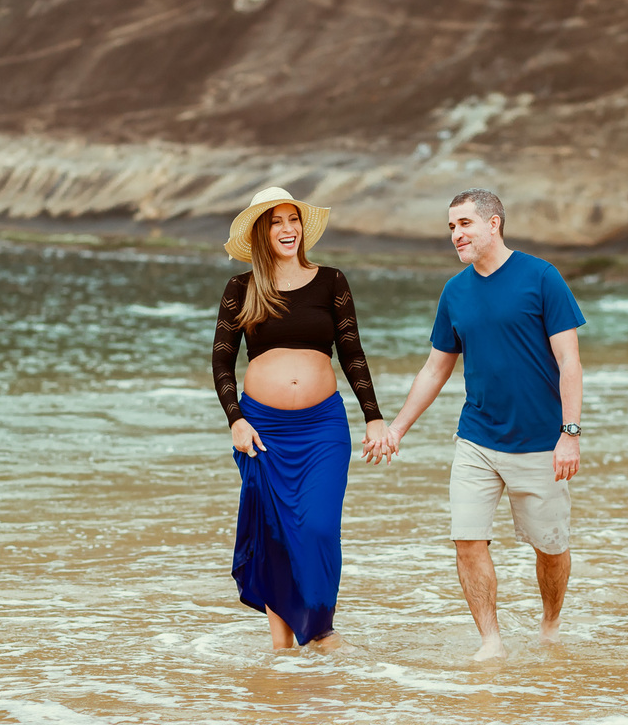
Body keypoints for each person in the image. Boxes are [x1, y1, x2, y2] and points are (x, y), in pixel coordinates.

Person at [366, 188, 585, 661]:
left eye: (464, 224)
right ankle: (492, 642)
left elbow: (569, 361)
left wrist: (570, 434)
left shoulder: (541, 278)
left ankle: (550, 626)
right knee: (467, 540)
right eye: (451, 227)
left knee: (550, 548)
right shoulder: (455, 292)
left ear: (494, 224)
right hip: (477, 440)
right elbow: (435, 368)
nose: (456, 235)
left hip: (539, 443)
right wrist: (398, 428)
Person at [212, 186, 390, 651]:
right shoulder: (241, 289)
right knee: (274, 532)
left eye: (293, 220)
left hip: (322, 428)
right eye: (276, 222)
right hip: (262, 428)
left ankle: (321, 629)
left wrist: (374, 418)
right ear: (259, 232)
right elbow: (221, 363)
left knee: (317, 528)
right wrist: (235, 419)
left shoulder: (331, 280)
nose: (287, 229)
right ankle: (282, 649)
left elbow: (352, 353)